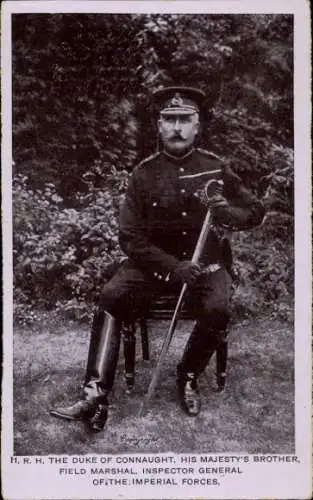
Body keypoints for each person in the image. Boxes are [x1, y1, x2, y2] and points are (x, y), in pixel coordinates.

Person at [50, 86, 264, 432]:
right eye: (170, 119)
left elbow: (255, 211)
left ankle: (189, 374)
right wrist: (172, 267)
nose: (177, 127)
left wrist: (228, 213)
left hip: (206, 264)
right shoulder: (144, 173)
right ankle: (94, 393)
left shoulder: (215, 168)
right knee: (110, 297)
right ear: (159, 127)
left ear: (197, 127)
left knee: (219, 309)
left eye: (185, 120)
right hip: (153, 266)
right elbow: (129, 237)